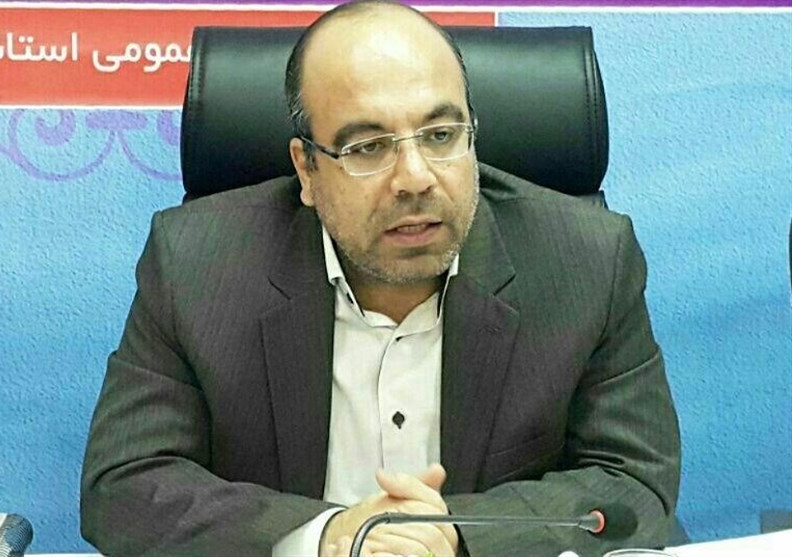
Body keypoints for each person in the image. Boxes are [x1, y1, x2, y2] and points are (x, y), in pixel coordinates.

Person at [80, 1, 681, 556]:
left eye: (441, 136)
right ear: (306, 170)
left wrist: (457, 534)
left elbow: (633, 482)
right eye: (368, 147)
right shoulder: (196, 264)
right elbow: (124, 484)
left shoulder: (588, 261)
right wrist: (328, 535)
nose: (415, 178)